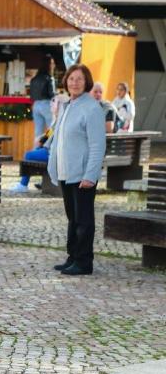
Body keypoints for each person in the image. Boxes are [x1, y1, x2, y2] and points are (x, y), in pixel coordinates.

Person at [47, 64, 106, 276]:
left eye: (79, 79)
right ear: (66, 81)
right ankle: (72, 256)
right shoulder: (67, 105)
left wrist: (91, 175)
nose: (75, 82)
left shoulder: (92, 108)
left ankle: (84, 261)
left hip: (82, 174)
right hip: (66, 172)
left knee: (83, 220)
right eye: (72, 78)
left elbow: (97, 145)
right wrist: (53, 167)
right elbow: (58, 140)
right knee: (73, 218)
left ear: (86, 82)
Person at [29, 55, 56, 145]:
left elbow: (31, 95)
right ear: (48, 65)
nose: (54, 65)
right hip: (47, 105)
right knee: (51, 130)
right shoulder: (49, 78)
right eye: (52, 63)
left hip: (36, 105)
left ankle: (36, 151)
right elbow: (52, 95)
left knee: (38, 132)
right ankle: (48, 149)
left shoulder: (34, 79)